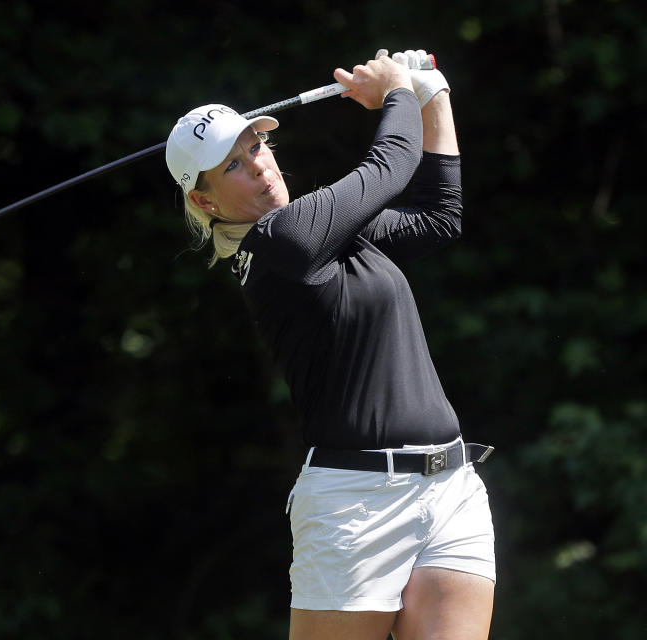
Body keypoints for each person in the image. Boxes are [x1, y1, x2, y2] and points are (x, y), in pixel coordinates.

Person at [165, 50, 496, 640]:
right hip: (356, 505)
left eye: (255, 148)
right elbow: (392, 163)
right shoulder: (280, 245)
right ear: (204, 201)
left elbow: (438, 216)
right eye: (233, 167)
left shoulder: (322, 234)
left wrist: (432, 92)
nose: (260, 166)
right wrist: (397, 92)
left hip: (452, 489)